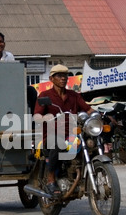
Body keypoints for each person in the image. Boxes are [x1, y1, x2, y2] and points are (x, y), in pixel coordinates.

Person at [34, 64, 95, 197]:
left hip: (71, 135)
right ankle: (50, 179)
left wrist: (99, 116)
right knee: (57, 143)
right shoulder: (45, 95)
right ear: (51, 78)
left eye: (65, 75)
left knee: (90, 143)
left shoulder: (74, 95)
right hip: (50, 136)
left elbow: (87, 108)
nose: (63, 78)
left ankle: (78, 174)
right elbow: (37, 115)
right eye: (59, 76)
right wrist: (46, 118)